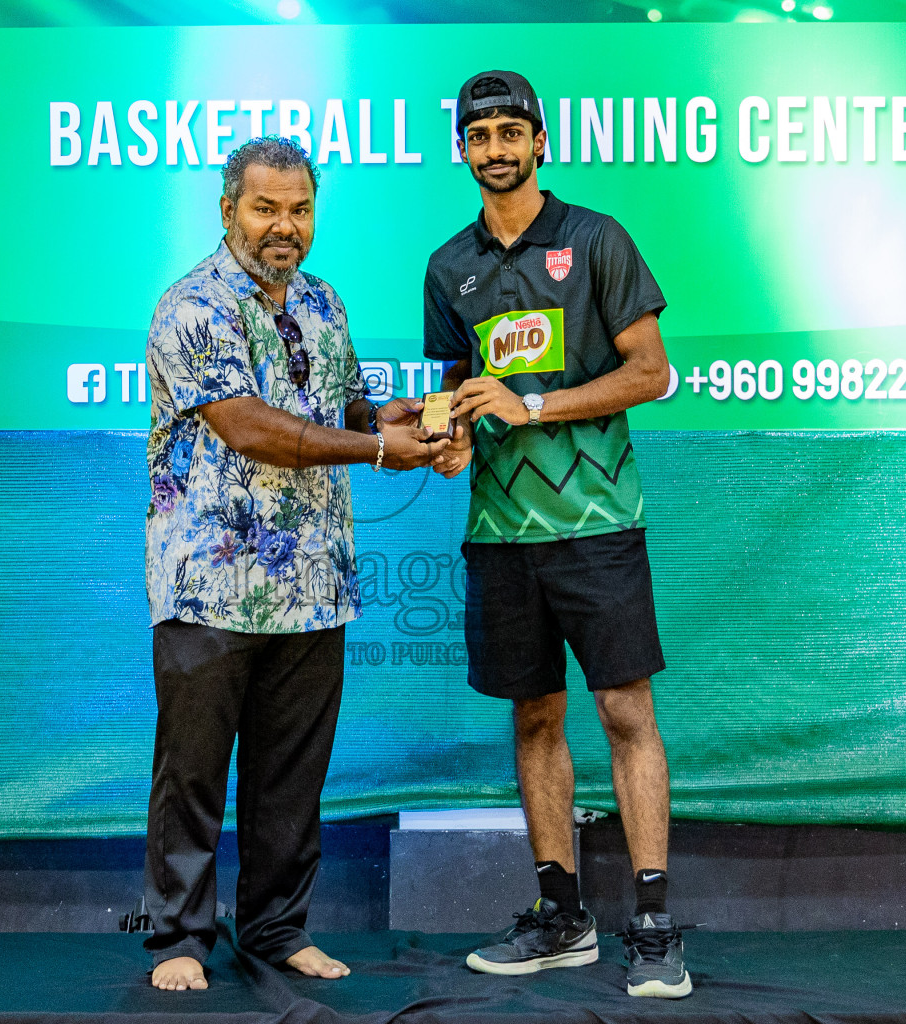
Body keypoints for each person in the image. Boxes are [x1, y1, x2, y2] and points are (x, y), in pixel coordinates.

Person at [143, 136, 445, 991]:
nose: (286, 226)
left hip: (314, 585)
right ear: (229, 208)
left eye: (300, 209)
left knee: (290, 778)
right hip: (210, 583)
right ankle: (179, 939)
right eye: (266, 207)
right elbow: (252, 429)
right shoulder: (192, 305)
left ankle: (276, 930)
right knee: (193, 775)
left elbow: (345, 405)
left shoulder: (321, 300)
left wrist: (411, 420)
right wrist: (380, 452)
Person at [421, 71, 689, 998]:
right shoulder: (448, 264)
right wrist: (451, 432)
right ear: (462, 150)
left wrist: (531, 405)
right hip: (500, 530)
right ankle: (561, 915)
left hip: (597, 522)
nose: (495, 149)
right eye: (478, 136)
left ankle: (653, 924)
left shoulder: (595, 239)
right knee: (534, 717)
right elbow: (461, 385)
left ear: (541, 143)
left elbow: (649, 373)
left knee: (624, 714)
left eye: (511, 133)